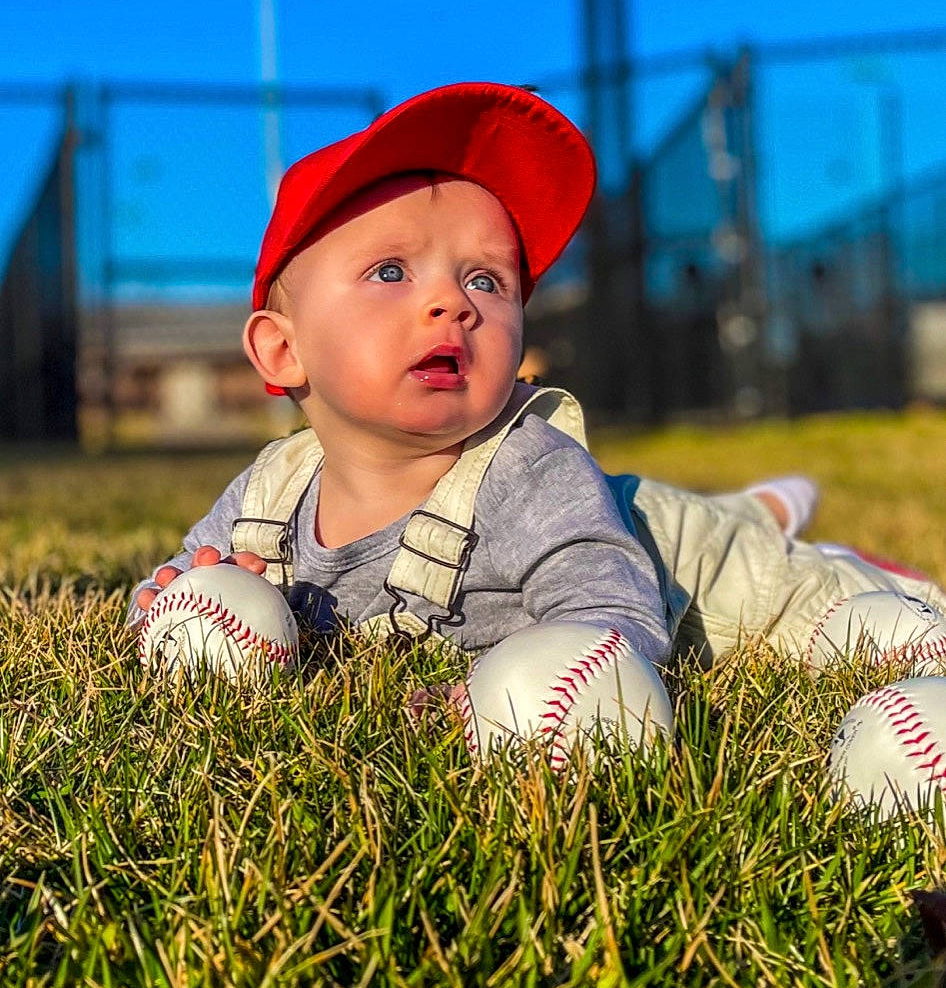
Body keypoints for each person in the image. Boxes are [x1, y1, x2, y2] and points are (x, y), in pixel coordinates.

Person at [126, 83, 946, 688]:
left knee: (844, 613)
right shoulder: (268, 493)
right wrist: (171, 594)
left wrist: (522, 685)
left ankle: (802, 536)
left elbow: (608, 611)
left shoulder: (529, 471)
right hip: (644, 522)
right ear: (281, 351)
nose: (451, 301)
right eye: (388, 271)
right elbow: (177, 579)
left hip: (692, 571)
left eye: (487, 280)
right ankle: (761, 501)